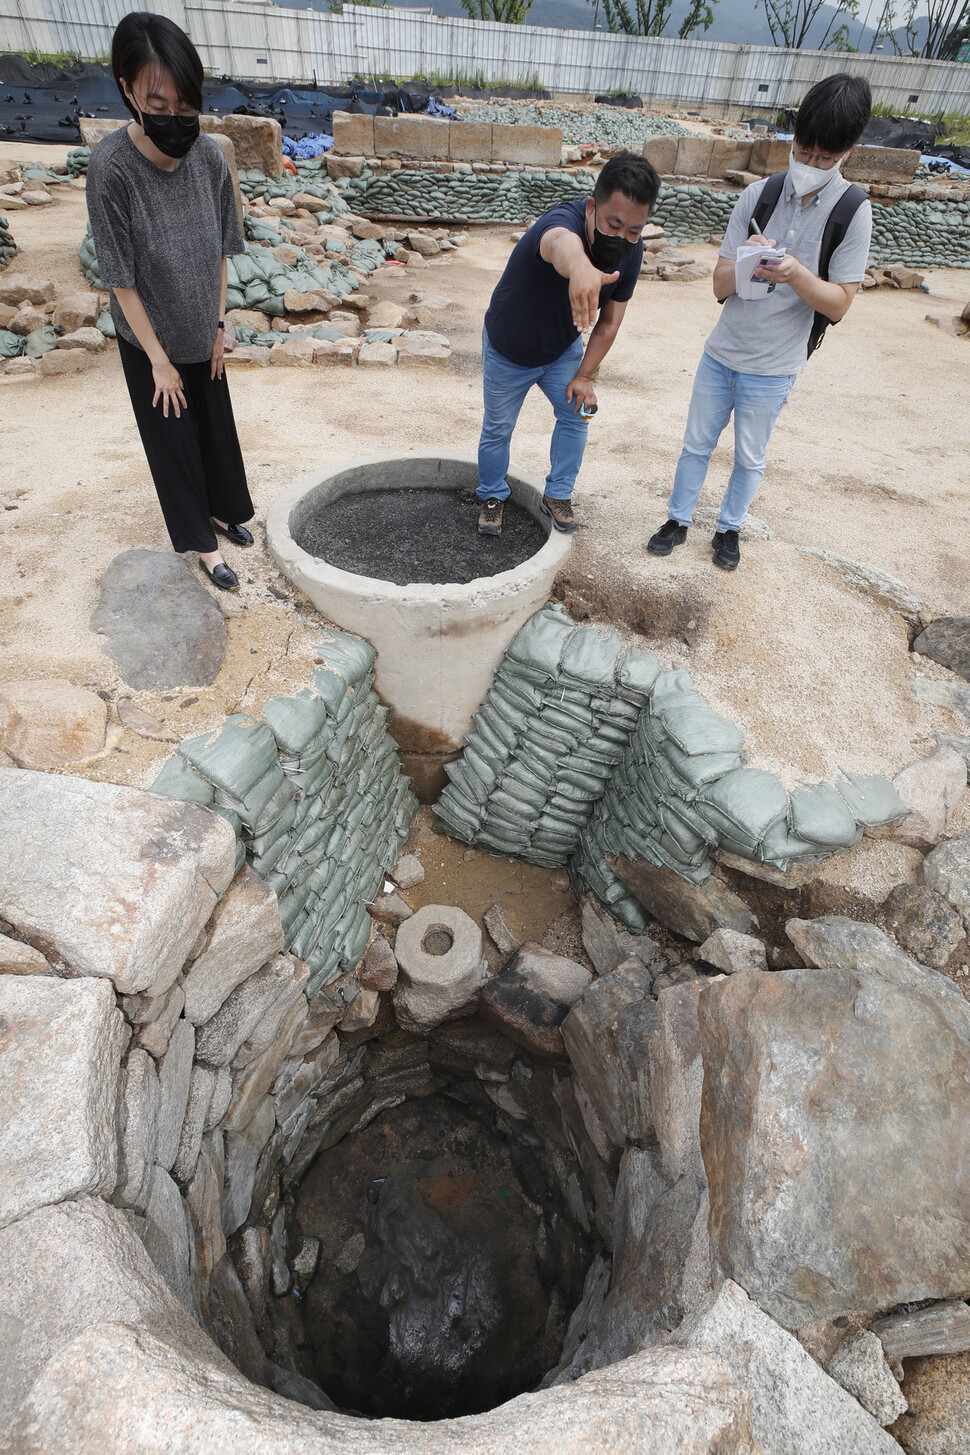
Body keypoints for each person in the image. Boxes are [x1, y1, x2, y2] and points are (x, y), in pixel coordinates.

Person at [647, 73, 873, 572]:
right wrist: (745, 261)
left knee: (749, 456)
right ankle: (677, 519)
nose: (810, 164)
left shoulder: (854, 211)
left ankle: (729, 529)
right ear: (794, 139)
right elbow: (719, 285)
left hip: (774, 366)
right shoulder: (760, 196)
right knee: (696, 445)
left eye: (824, 158)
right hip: (722, 352)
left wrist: (795, 275)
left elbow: (838, 304)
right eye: (804, 150)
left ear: (847, 152)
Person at [86, 11, 254, 591]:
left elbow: (223, 249)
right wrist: (158, 360)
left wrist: (217, 324)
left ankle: (220, 511)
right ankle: (204, 548)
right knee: (174, 440)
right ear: (128, 89)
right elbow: (121, 279)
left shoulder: (208, 158)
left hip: (200, 324)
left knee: (214, 429)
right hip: (149, 335)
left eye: (186, 105)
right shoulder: (112, 169)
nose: (176, 120)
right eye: (159, 106)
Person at [475, 151, 659, 536]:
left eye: (634, 231)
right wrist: (579, 268)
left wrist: (586, 376)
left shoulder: (631, 253)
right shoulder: (561, 223)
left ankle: (558, 493)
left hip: (561, 352)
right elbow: (558, 244)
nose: (623, 238)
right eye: (614, 224)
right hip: (508, 348)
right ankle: (492, 494)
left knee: (580, 414)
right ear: (592, 207)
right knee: (498, 428)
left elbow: (609, 322)